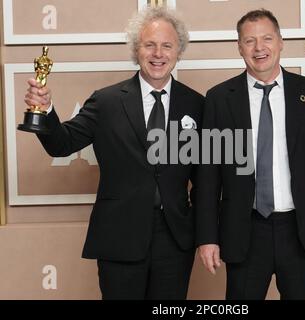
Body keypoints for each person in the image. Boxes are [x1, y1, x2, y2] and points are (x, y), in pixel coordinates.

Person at [24, 6, 203, 300]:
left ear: (178, 51)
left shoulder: (197, 104)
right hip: (119, 236)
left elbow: (204, 177)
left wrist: (203, 231)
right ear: (136, 49)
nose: (158, 53)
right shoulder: (106, 101)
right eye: (149, 45)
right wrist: (45, 111)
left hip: (175, 240)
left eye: (167, 45)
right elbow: (62, 143)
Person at [195, 9, 305, 300]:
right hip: (244, 231)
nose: (259, 48)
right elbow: (208, 176)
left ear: (280, 42)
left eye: (267, 38)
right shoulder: (219, 99)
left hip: (299, 231)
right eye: (249, 41)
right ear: (239, 47)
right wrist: (207, 237)